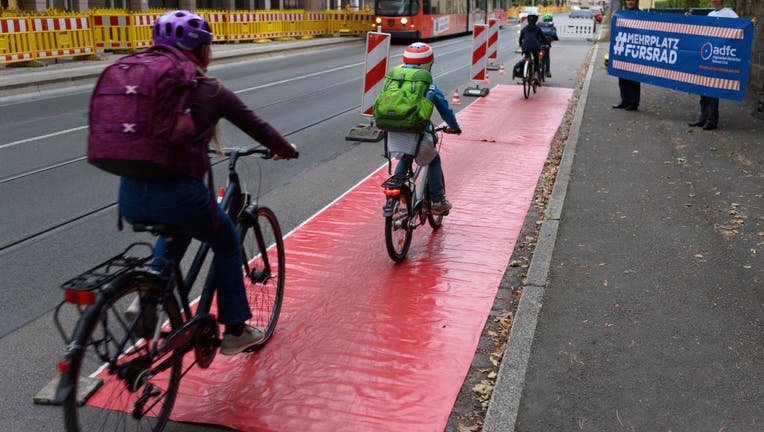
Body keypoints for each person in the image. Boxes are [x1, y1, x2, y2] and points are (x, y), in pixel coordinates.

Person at [119, 10, 298, 355]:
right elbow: (257, 126)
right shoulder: (209, 89)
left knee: (178, 229)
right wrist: (285, 149)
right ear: (200, 51)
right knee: (227, 241)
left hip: (130, 194)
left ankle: (148, 297)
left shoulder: (138, 85)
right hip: (180, 195)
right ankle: (234, 330)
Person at [389, 42, 461, 216]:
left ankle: (399, 191)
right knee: (433, 160)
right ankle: (437, 201)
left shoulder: (394, 79)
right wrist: (454, 128)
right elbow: (445, 111)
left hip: (391, 129)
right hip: (417, 132)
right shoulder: (428, 85)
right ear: (428, 64)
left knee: (406, 157)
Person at [688, 0, 738, 130]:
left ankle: (711, 120)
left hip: (718, 57)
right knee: (703, 89)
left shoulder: (730, 13)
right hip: (708, 57)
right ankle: (703, 118)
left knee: (713, 90)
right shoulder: (710, 14)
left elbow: (740, 27)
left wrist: (751, 23)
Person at [612, 0, 641, 111]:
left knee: (634, 78)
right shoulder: (621, 14)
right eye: (628, 0)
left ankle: (634, 103)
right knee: (622, 76)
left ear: (636, 1)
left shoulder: (642, 15)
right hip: (624, 50)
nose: (630, 2)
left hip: (635, 51)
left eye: (632, 0)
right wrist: (614, 17)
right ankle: (624, 101)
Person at [518, 13, 547, 84]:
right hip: (535, 47)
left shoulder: (524, 28)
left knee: (526, 58)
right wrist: (547, 44)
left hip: (525, 46)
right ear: (536, 21)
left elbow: (520, 39)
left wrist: (521, 45)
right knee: (536, 60)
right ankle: (535, 76)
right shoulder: (538, 28)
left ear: (528, 20)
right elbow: (543, 38)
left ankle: (525, 74)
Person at [539, 13, 558, 78]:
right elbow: (555, 36)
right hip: (547, 44)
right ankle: (548, 71)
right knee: (547, 57)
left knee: (536, 54)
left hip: (539, 43)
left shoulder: (540, 25)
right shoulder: (552, 26)